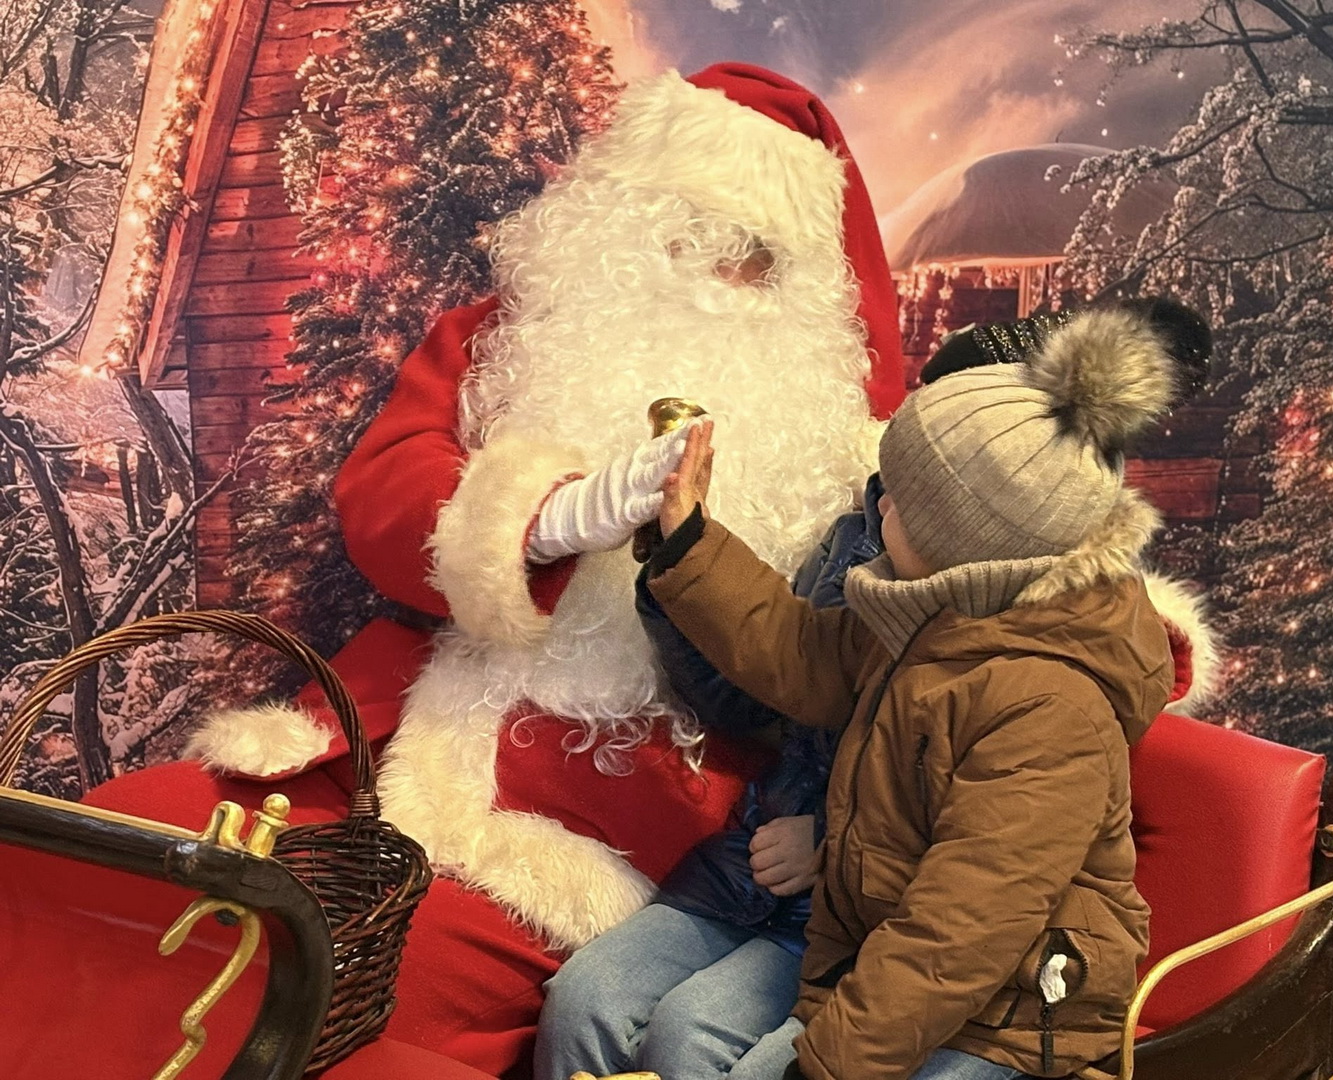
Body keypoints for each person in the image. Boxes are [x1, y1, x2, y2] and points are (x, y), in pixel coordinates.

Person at [75, 63, 908, 1077]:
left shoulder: (858, 447)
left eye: (751, 254)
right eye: (683, 232)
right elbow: (381, 493)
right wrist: (548, 518)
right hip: (399, 740)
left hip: (617, 817)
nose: (712, 274)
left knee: (336, 989)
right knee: (117, 852)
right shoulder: (514, 339)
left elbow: (923, 636)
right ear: (621, 221)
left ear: (803, 279)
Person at [641, 303, 1189, 1080]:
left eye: (902, 497)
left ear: (961, 538)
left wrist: (826, 1067)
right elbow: (801, 650)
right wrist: (691, 543)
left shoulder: (1048, 707)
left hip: (1011, 1013)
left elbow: (960, 932)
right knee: (686, 1036)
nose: (882, 504)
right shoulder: (935, 613)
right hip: (889, 952)